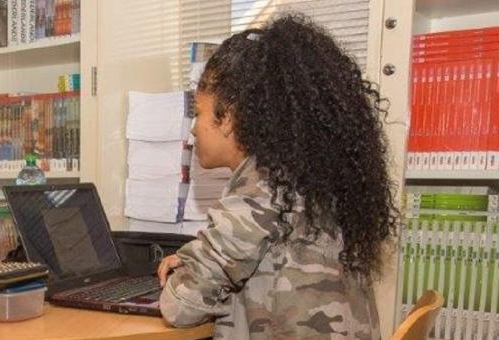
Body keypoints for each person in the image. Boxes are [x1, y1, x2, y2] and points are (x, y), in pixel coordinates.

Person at [156, 14, 399, 339]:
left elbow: (180, 306)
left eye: (198, 113)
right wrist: (196, 263)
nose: (193, 130)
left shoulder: (264, 182)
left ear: (227, 117)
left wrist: (188, 272)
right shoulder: (310, 179)